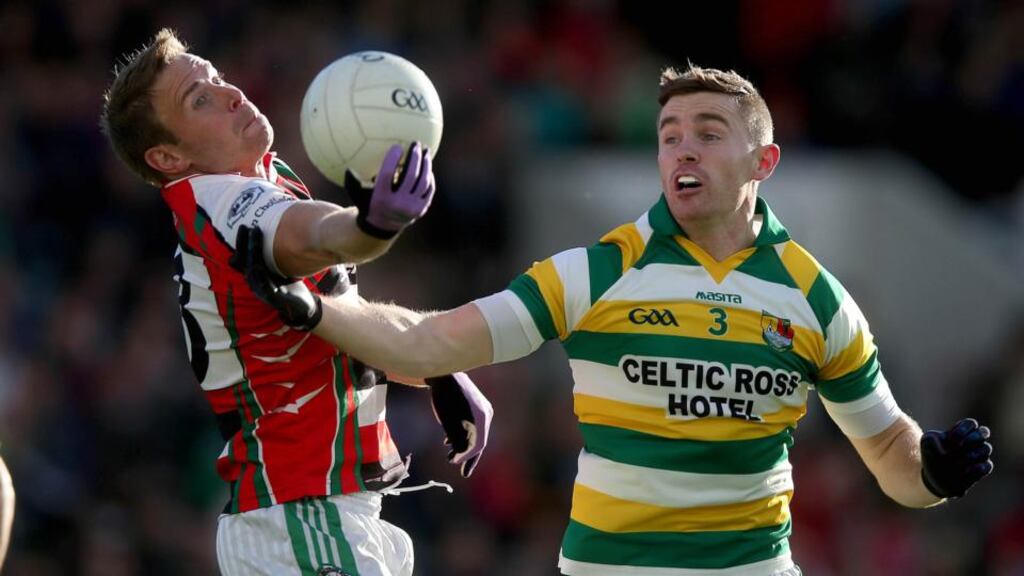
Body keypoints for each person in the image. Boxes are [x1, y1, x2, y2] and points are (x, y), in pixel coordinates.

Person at [238, 63, 995, 575]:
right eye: (670, 136)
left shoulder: (817, 297)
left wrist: (931, 471)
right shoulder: (601, 271)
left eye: (707, 132)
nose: (681, 149)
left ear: (763, 163)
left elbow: (892, 452)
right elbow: (428, 340)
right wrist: (310, 306)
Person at [99, 28, 492, 576]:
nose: (231, 92)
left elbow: (336, 314)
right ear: (168, 156)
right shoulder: (220, 203)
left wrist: (434, 366)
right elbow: (317, 236)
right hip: (303, 517)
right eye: (200, 98)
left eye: (217, 77)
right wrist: (370, 226)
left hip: (318, 517)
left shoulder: (264, 182)